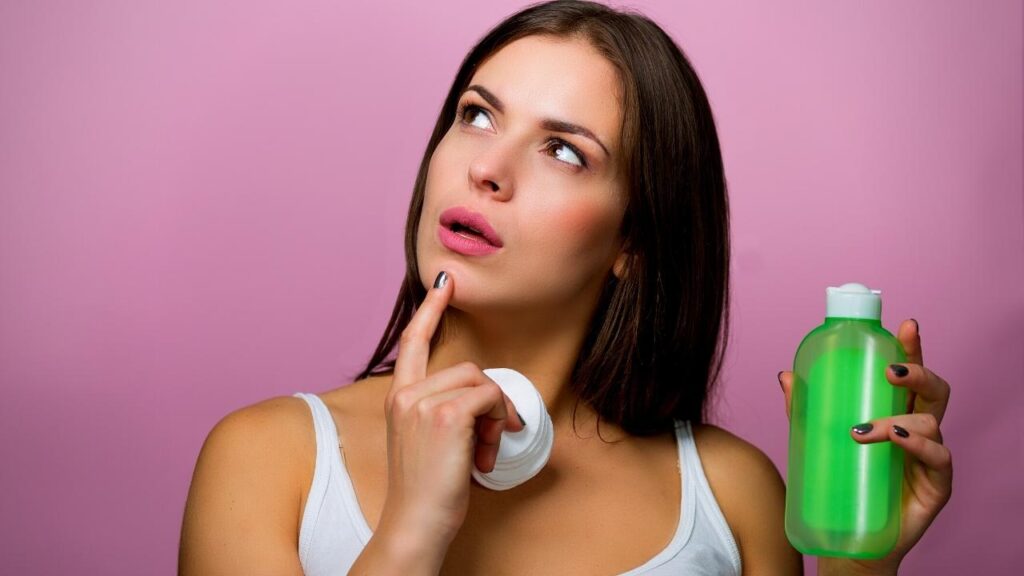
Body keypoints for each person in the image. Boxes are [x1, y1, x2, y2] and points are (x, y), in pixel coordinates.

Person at [178, 1, 953, 574]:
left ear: (634, 241)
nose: (486, 168)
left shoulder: (734, 496)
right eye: (477, 115)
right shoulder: (269, 461)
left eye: (565, 151)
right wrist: (411, 530)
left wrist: (863, 562)